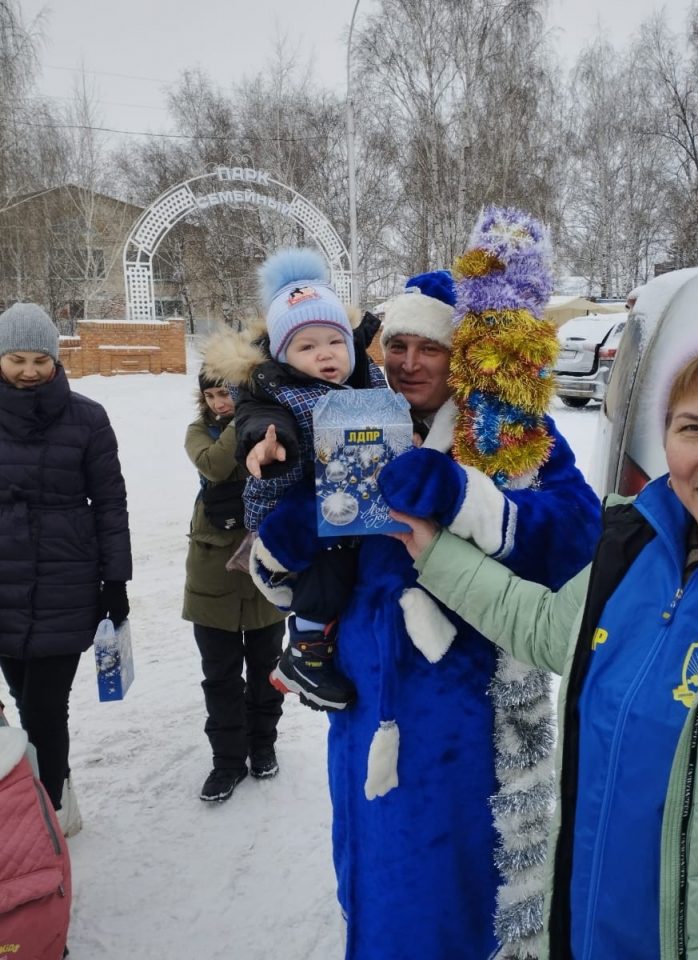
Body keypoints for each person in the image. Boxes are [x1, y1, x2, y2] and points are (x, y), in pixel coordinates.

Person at [256, 251, 603, 959]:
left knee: (454, 896)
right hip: (360, 703)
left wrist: (459, 495)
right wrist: (287, 537)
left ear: (460, 357)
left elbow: (575, 532)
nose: (410, 363)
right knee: (374, 881)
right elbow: (296, 573)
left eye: (431, 348)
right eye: (398, 346)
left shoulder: (506, 433)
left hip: (466, 718)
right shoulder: (344, 418)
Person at [391, 332, 698, 960]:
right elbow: (545, 628)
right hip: (592, 930)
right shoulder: (633, 552)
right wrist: (434, 552)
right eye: (695, 428)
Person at [228, 246, 386, 712]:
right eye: (307, 346)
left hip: (346, 496)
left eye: (334, 342)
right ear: (283, 354)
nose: (325, 355)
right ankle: (305, 653)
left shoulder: (365, 379)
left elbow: (389, 420)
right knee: (330, 565)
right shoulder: (274, 389)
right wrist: (268, 445)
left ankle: (327, 638)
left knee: (352, 563)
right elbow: (254, 420)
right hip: (287, 494)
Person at [0, 302, 131, 837]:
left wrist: (115, 581)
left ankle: (48, 817)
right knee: (21, 698)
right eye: (15, 359)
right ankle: (58, 792)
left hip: (66, 581)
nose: (29, 371)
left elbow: (110, 503)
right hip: (5, 582)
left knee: (44, 711)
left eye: (39, 360)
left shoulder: (88, 417)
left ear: (56, 360)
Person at [182, 353, 285, 804]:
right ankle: (227, 761)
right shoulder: (198, 433)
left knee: (266, 670)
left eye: (229, 392)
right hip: (212, 572)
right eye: (212, 394)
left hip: (265, 566)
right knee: (220, 676)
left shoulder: (271, 426)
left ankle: (263, 746)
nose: (220, 402)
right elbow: (217, 467)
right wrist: (242, 419)